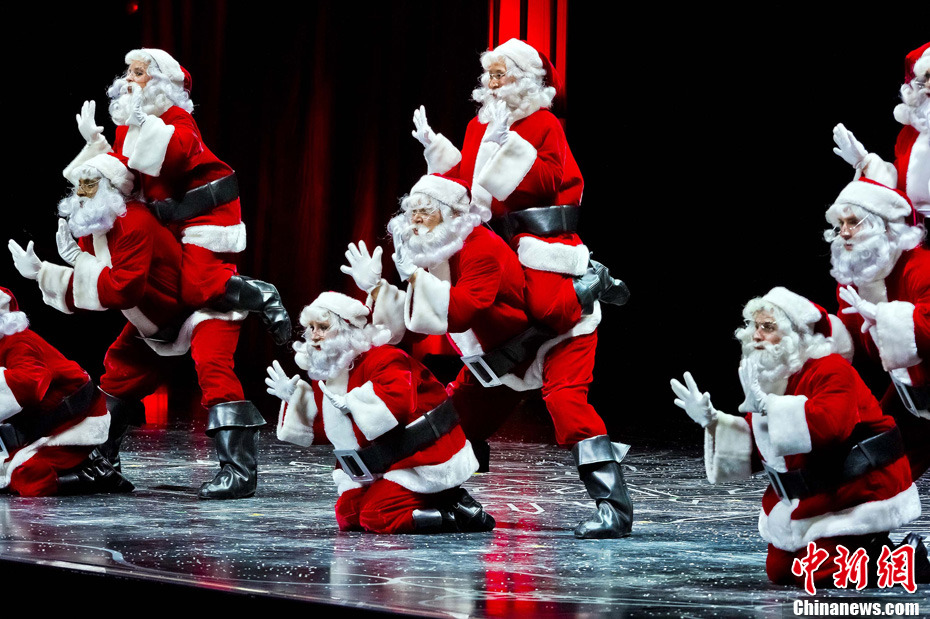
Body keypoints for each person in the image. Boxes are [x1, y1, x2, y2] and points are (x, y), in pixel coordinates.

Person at [343, 174, 632, 539]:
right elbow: (412, 328)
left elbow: (462, 310)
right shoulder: (432, 252)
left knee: (566, 405)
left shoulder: (480, 247)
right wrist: (377, 288)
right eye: (411, 211)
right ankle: (456, 506)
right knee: (448, 424)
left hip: (555, 339)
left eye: (424, 212)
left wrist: (414, 277)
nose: (414, 220)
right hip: (501, 360)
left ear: (451, 214)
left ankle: (614, 510)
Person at [8, 154, 263, 500]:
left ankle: (239, 471)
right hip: (157, 320)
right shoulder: (97, 228)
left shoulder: (134, 222)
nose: (80, 193)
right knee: (119, 376)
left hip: (200, 309)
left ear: (113, 188)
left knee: (214, 372)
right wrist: (43, 272)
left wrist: (64, 267)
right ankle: (102, 462)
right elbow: (96, 290)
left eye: (89, 185)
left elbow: (122, 290)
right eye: (78, 185)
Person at [671, 287, 922, 588]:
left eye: (767, 327)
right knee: (781, 571)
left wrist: (768, 406)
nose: (756, 335)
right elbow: (764, 448)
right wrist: (712, 421)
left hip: (858, 490)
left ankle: (900, 558)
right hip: (813, 495)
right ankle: (865, 550)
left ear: (796, 334)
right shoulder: (776, 379)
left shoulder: (832, 369)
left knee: (825, 571)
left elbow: (829, 427)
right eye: (754, 326)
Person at [67, 48, 290, 344]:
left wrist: (147, 124)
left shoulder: (178, 118)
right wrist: (95, 143)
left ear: (159, 83)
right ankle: (175, 327)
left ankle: (264, 295)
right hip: (168, 218)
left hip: (206, 211)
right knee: (171, 281)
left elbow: (177, 154)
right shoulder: (125, 129)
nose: (128, 79)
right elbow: (123, 175)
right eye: (128, 72)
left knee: (200, 286)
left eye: (138, 73)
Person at [410, 38, 627, 335]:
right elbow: (464, 182)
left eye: (499, 75)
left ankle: (592, 280)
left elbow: (548, 182)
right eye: (489, 75)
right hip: (488, 234)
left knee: (548, 309)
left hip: (535, 233)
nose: (492, 83)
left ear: (524, 79)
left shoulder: (544, 123)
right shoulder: (476, 126)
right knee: (473, 310)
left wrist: (507, 144)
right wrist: (433, 147)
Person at [268, 291, 494, 533]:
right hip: (379, 463)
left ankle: (456, 512)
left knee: (378, 514)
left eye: (323, 327)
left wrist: (354, 403)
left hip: (421, 459)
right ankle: (434, 499)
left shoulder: (386, 359)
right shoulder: (329, 374)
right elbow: (331, 432)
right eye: (311, 327)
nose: (314, 335)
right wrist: (294, 400)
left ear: (347, 329)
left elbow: (397, 407)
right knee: (348, 514)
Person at [824, 178, 930, 482]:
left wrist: (884, 318)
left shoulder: (921, 268)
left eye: (853, 222)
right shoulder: (857, 278)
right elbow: (852, 342)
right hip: (914, 393)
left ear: (884, 226)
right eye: (840, 224)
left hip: (922, 384)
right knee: (874, 460)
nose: (844, 232)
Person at [0, 286, 133, 497]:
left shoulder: (18, 343)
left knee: (27, 477)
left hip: (73, 423)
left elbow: (29, 385)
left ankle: (95, 474)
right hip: (40, 425)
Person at [832, 42, 929, 217]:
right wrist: (865, 163)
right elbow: (897, 192)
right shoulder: (910, 136)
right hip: (917, 229)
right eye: (926, 76)